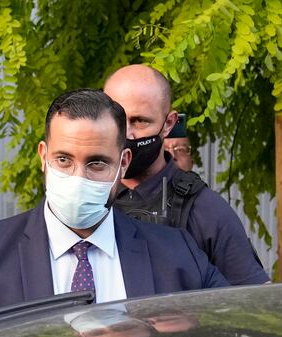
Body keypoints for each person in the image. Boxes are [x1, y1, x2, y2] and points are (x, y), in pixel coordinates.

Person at [0, 89, 228, 333]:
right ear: (43, 156)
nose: (78, 177)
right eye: (64, 160)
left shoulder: (176, 254)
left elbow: (235, 334)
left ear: (123, 163)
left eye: (97, 163)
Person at [103, 65, 269, 286]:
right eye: (118, 119)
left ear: (168, 123)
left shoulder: (206, 211)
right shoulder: (86, 197)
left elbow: (254, 303)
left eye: (140, 121)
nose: (127, 134)